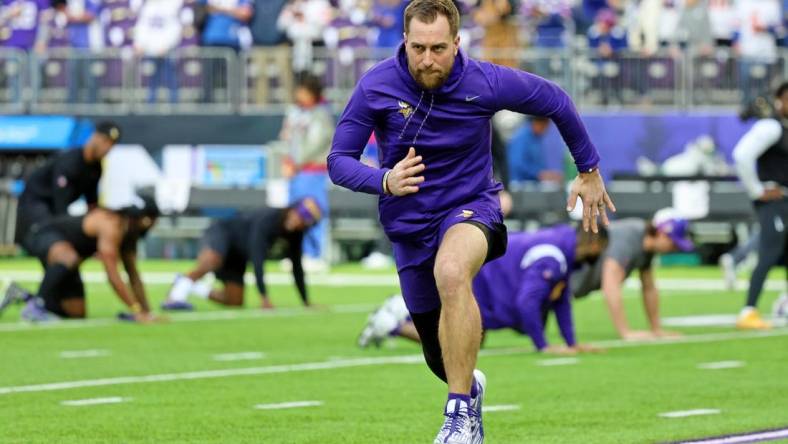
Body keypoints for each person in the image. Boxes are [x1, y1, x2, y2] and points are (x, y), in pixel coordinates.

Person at [326, 1, 614, 441]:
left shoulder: (486, 80)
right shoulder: (376, 85)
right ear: (404, 40)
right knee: (436, 355)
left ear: (457, 42)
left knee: (452, 271)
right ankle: (467, 388)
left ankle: (459, 416)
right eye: (418, 47)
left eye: (438, 48)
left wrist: (588, 170)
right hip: (409, 226)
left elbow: (556, 99)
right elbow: (338, 161)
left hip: (471, 208)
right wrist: (383, 180)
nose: (427, 59)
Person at [359, 225, 608, 354]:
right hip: (482, 278)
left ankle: (396, 319)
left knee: (471, 342)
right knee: (465, 342)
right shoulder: (553, 257)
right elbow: (527, 303)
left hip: (490, 278)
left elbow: (561, 300)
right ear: (593, 242)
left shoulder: (562, 249)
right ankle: (394, 323)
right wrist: (543, 346)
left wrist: (572, 343)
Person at [0, 196, 160, 322]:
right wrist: (136, 310)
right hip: (44, 236)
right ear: (143, 218)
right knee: (69, 256)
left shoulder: (128, 235)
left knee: (76, 312)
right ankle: (35, 306)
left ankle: (23, 295)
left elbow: (133, 275)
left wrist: (147, 311)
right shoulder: (111, 226)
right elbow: (112, 274)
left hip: (69, 261)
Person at [161, 197, 322, 310]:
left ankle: (188, 283)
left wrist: (306, 301)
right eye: (299, 214)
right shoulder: (269, 218)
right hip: (223, 234)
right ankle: (175, 297)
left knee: (234, 301)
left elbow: (297, 267)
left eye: (305, 219)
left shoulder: (295, 235)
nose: (297, 220)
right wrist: (264, 297)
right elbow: (257, 257)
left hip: (238, 256)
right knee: (213, 260)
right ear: (292, 209)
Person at [570, 214, 693, 340]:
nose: (674, 249)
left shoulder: (647, 248)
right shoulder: (629, 237)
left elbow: (649, 288)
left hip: (571, 286)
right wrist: (626, 332)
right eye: (674, 244)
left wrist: (656, 330)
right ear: (661, 234)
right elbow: (610, 285)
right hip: (561, 279)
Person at [730, 82, 788, 329]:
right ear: (779, 100)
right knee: (769, 252)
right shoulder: (771, 126)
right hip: (774, 201)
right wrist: (757, 190)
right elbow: (741, 156)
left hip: (785, 200)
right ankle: (748, 310)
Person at [14, 121, 121, 254]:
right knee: (53, 238)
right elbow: (60, 207)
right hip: (36, 202)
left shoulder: (96, 168)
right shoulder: (70, 161)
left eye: (112, 144)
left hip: (54, 207)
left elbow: (92, 205)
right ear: (94, 137)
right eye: (105, 141)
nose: (108, 147)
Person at [279, 75, 334, 267]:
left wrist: (296, 163)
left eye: (302, 91)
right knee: (294, 212)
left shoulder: (320, 114)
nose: (298, 94)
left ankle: (316, 254)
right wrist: (287, 161)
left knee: (313, 210)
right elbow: (287, 139)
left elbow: (316, 144)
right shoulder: (294, 112)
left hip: (313, 170)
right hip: (295, 171)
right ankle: (297, 253)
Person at [507, 116, 563, 184]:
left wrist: (549, 175)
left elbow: (539, 164)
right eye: (544, 127)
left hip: (534, 185)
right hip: (519, 185)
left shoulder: (537, 138)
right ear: (537, 123)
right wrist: (539, 174)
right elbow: (517, 164)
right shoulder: (521, 137)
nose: (545, 130)